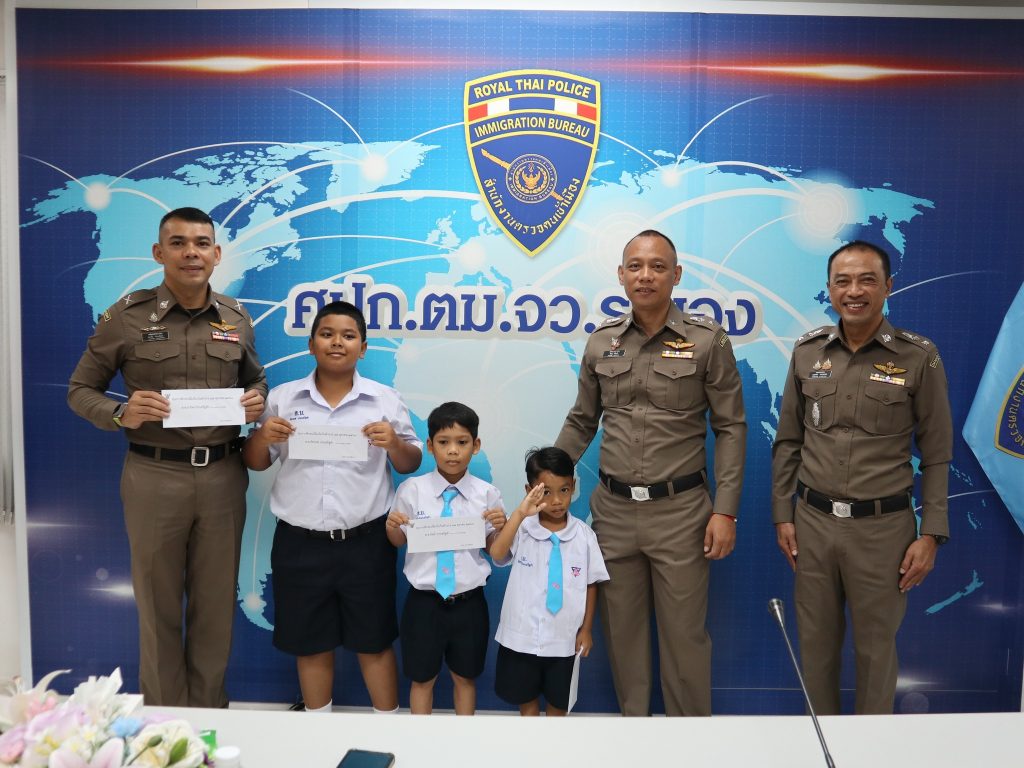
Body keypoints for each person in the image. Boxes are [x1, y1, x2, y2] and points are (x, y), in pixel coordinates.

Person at [67, 207, 267, 708]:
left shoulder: (236, 317)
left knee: (215, 606)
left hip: (223, 474)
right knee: (157, 609)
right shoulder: (126, 317)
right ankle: (163, 726)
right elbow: (80, 390)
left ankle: (212, 720)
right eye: (178, 243)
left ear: (216, 254)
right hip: (154, 473)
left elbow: (256, 379)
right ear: (159, 253)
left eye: (201, 243)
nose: (190, 253)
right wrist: (121, 412)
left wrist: (256, 400)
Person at [555, 229, 746, 717]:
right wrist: (547, 478)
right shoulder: (601, 342)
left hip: (681, 513)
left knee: (684, 639)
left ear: (675, 275)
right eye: (635, 266)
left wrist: (725, 511)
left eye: (658, 266)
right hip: (614, 514)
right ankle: (635, 737)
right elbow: (582, 420)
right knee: (623, 637)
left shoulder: (707, 340)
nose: (646, 276)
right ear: (621, 275)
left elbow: (730, 428)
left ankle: (688, 743)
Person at [771, 240, 953, 715]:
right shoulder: (807, 352)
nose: (854, 291)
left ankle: (873, 749)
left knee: (875, 653)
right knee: (815, 648)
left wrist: (931, 534)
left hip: (883, 531)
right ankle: (823, 745)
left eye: (867, 280)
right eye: (843, 281)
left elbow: (937, 454)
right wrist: (783, 515)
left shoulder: (918, 356)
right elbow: (788, 441)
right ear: (830, 289)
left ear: (887, 286)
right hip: (812, 525)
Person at [243, 300, 422, 714]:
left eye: (348, 335)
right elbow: (256, 462)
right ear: (311, 344)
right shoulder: (283, 398)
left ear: (363, 347)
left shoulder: (385, 400)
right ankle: (317, 727)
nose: (337, 342)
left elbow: (410, 462)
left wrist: (394, 442)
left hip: (367, 542)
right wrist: (262, 436)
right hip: (300, 543)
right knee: (310, 643)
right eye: (326, 334)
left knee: (374, 641)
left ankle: (387, 728)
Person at [385, 402, 507, 715]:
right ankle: (420, 740)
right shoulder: (412, 491)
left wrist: (502, 529)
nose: (453, 451)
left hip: (469, 604)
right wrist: (392, 527)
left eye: (462, 442)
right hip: (423, 603)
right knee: (421, 679)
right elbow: (398, 541)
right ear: (430, 445)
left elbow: (494, 548)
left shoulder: (487, 494)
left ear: (475, 445)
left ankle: (463, 739)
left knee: (465, 678)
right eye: (443, 442)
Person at [490, 447, 609, 716]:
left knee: (558, 706)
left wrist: (586, 629)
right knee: (527, 705)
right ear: (529, 490)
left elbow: (591, 584)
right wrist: (519, 514)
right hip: (521, 639)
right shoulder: (521, 528)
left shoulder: (584, 536)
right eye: (546, 492)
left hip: (563, 640)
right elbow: (497, 553)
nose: (556, 501)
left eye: (564, 490)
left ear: (573, 486)